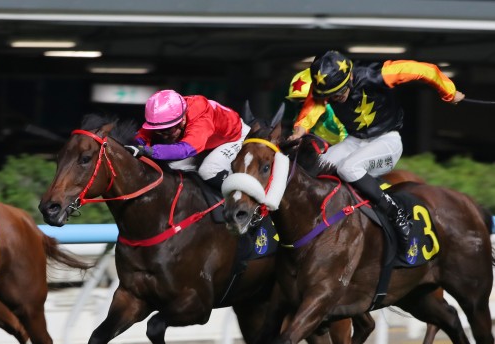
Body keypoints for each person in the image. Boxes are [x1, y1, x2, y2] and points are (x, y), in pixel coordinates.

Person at [288, 50, 465, 251]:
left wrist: (449, 92)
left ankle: (398, 217)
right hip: (356, 140)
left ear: (351, 77)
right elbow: (312, 107)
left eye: (338, 94)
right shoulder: (324, 90)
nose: (335, 99)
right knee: (314, 169)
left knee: (348, 169)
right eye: (330, 96)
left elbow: (421, 70)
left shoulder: (376, 74)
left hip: (387, 140)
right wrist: (298, 132)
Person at [124, 89, 250, 191]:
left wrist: (149, 151)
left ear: (182, 119)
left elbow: (185, 149)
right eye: (159, 131)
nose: (164, 135)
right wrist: (130, 147)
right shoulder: (168, 116)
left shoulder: (201, 118)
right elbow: (142, 137)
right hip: (207, 143)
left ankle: (244, 203)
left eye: (167, 130)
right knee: (171, 171)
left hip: (235, 138)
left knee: (208, 170)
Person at [286, 68, 347, 145]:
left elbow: (346, 137)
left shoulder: (334, 112)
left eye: (305, 102)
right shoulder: (300, 117)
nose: (302, 109)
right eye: (297, 102)